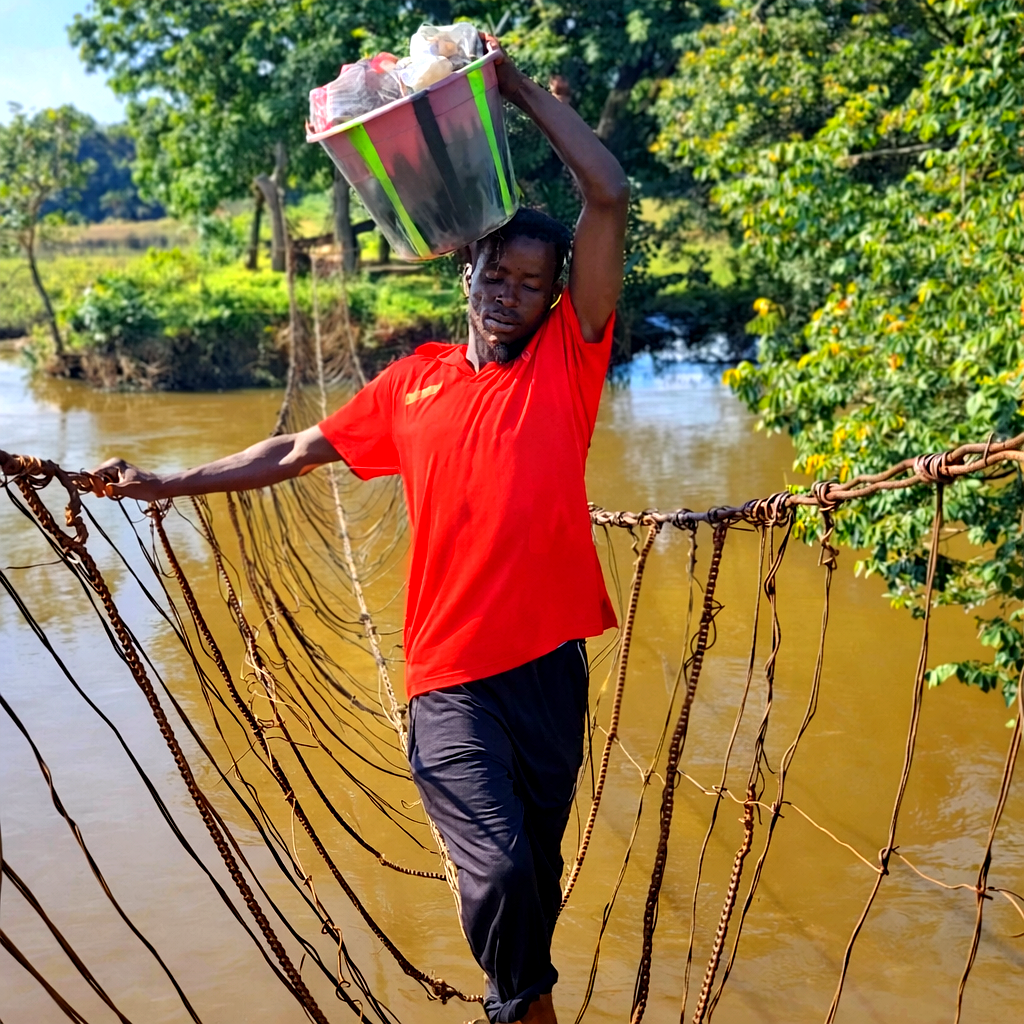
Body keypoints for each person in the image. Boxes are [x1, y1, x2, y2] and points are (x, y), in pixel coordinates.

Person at [94, 34, 628, 1024]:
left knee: (536, 873)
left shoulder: (567, 362)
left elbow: (608, 194)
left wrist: (512, 89)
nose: (511, 295)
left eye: (532, 284)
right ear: (466, 270)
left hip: (549, 669)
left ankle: (516, 996)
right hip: (449, 678)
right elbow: (297, 448)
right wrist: (169, 481)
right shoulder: (413, 381)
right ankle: (527, 1012)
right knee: (503, 870)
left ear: (557, 298)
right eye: (498, 275)